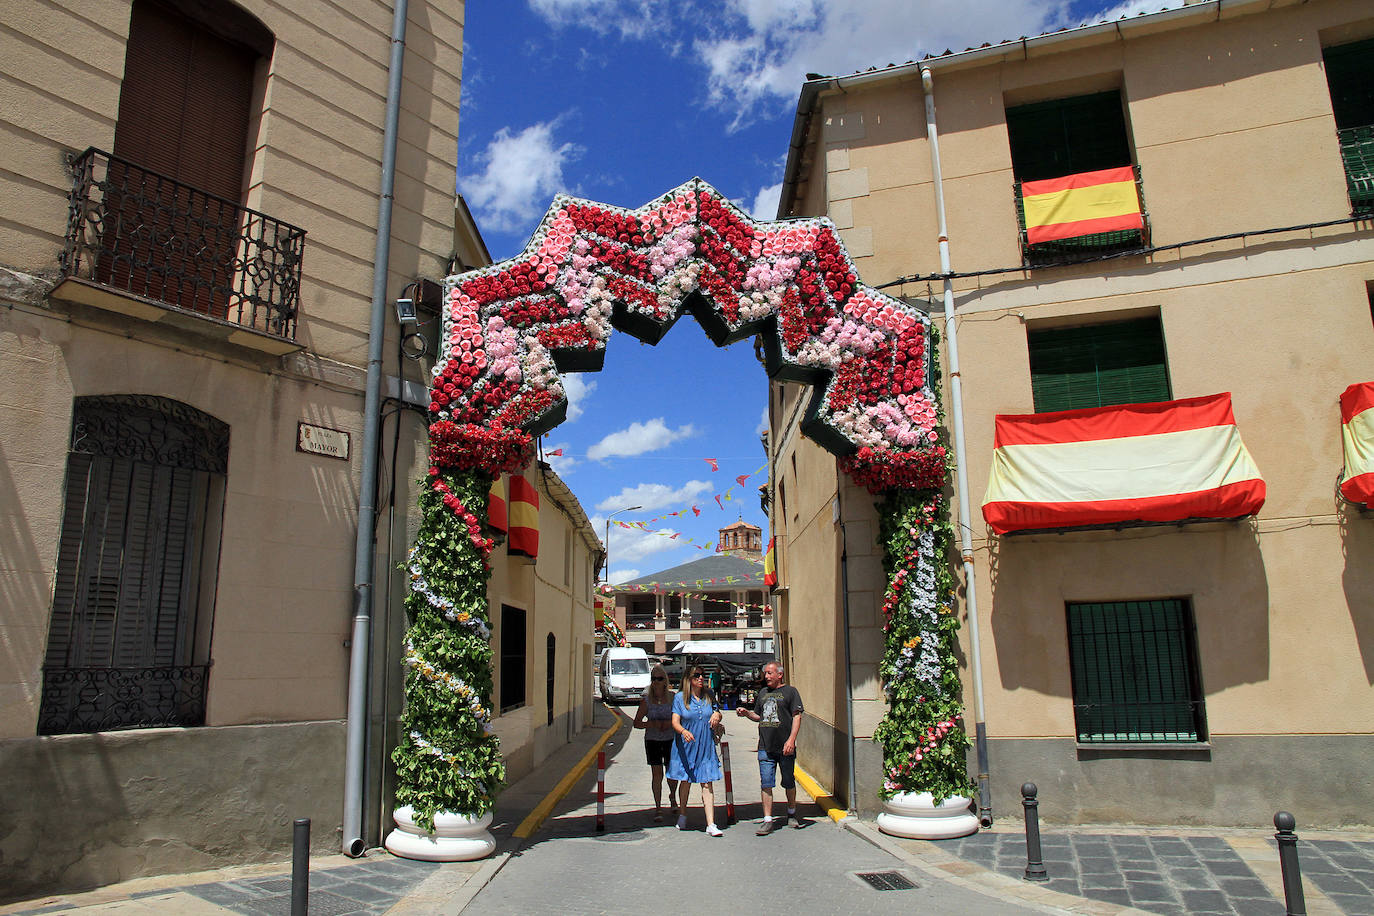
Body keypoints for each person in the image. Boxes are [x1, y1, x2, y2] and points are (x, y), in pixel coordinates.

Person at [736, 661, 806, 834]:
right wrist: (747, 713)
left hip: (785, 747)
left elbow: (797, 717)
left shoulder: (791, 692)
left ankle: (791, 813)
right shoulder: (763, 693)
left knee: (788, 781)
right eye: (765, 673)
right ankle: (768, 820)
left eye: (769, 673)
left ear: (779, 674)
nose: (766, 676)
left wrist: (791, 740)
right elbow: (759, 716)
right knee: (766, 783)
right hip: (765, 746)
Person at [666, 665, 724, 836]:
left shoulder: (709, 696)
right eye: (696, 676)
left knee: (707, 782)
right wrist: (683, 731)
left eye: (702, 675)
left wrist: (717, 715)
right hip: (686, 745)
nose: (700, 678)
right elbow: (675, 721)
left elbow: (716, 711)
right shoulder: (679, 698)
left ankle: (711, 824)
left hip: (705, 744)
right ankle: (683, 814)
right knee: (686, 781)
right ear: (688, 679)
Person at [631, 663, 678, 822]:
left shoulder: (673, 698)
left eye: (659, 678)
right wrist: (652, 724)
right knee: (657, 774)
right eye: (653, 679)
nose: (656, 682)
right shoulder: (646, 701)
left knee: (671, 773)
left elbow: (680, 718)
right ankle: (658, 807)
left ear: (665, 680)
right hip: (652, 740)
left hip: (670, 739)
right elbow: (636, 722)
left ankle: (672, 796)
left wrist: (670, 723)